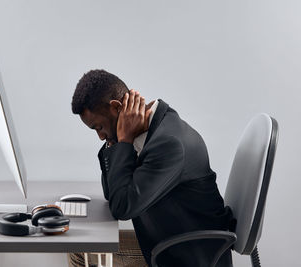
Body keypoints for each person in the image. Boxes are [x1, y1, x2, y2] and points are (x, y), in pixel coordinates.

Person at [69, 69, 234, 267]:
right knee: (80, 248)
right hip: (166, 243)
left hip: (185, 257)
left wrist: (124, 141)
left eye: (98, 127)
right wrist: (118, 143)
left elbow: (122, 207)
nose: (101, 137)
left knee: (81, 253)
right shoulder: (152, 130)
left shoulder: (168, 144)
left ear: (116, 107)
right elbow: (111, 193)